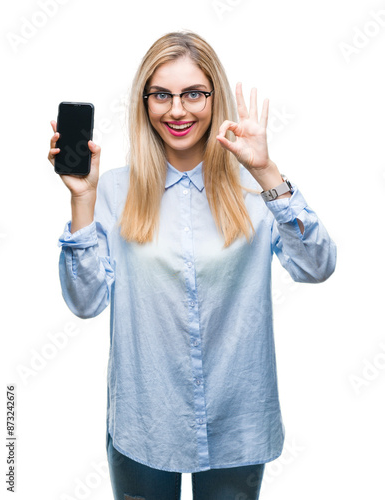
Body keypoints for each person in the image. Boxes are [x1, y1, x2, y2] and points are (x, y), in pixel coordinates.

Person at [47, 30, 337, 500]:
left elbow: (317, 266)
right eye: (162, 94)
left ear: (213, 98)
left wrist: (266, 172)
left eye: (193, 94)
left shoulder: (256, 189)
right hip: (145, 424)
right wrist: (83, 199)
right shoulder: (113, 191)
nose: (177, 110)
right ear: (145, 102)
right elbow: (86, 302)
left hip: (237, 420)